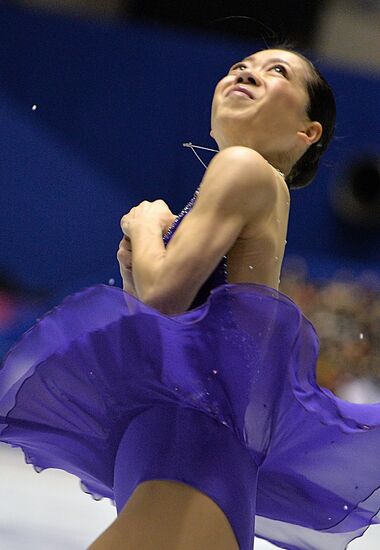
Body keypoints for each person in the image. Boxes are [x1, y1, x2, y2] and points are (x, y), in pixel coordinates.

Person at [0, 46, 379, 550]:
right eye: (240, 65)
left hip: (188, 451)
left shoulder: (243, 166)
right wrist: (138, 258)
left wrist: (144, 225)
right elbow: (167, 329)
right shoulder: (239, 187)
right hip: (181, 450)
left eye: (278, 71)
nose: (247, 70)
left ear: (307, 133)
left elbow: (161, 299)